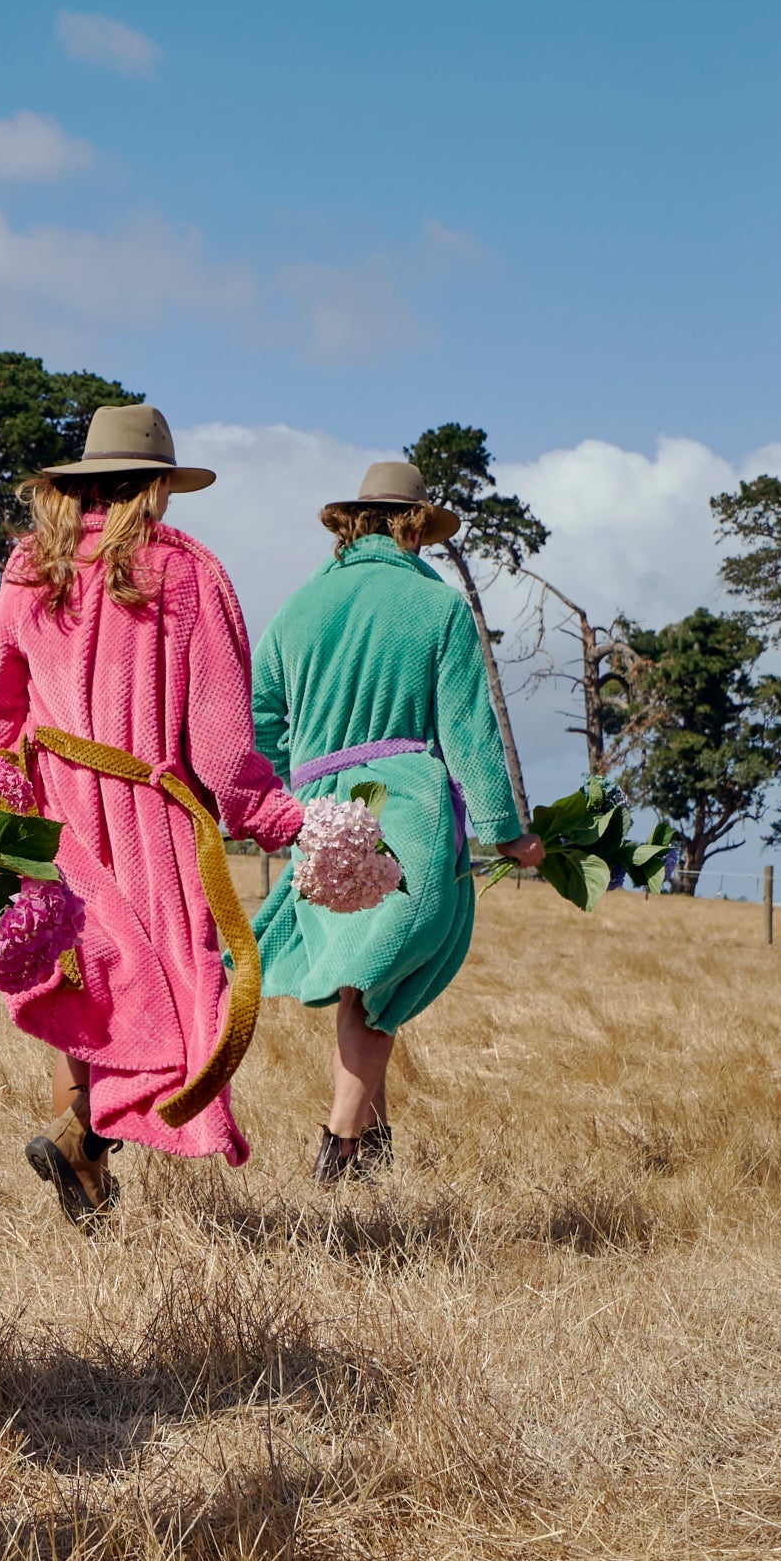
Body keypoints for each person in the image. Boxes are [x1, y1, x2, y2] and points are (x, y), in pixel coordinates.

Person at [0, 403, 306, 1231]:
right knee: (173, 1000)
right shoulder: (188, 572)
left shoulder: (35, 567)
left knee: (80, 976)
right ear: (158, 487)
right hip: (148, 821)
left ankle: (85, 1168)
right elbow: (220, 739)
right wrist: (269, 815)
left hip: (49, 806)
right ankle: (86, 1141)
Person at [251, 461, 544, 1183]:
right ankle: (340, 1149)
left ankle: (374, 1148)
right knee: (382, 973)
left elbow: (258, 718)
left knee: (362, 974)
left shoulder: (298, 607)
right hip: (402, 806)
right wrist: (506, 831)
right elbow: (468, 730)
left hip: (320, 816)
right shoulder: (436, 605)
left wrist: (294, 792)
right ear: (413, 527)